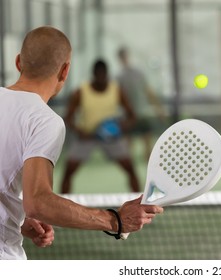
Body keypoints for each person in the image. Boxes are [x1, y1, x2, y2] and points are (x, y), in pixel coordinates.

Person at [0, 26, 163, 260]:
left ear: (18, 62)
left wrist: (16, 220)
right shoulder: (44, 121)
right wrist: (115, 220)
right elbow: (37, 203)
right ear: (65, 71)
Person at [60, 59, 141, 194]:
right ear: (93, 74)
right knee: (68, 171)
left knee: (130, 169)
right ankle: (63, 204)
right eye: (98, 75)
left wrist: (121, 127)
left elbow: (132, 116)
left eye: (103, 74)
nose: (101, 77)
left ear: (107, 74)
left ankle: (139, 204)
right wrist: (80, 131)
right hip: (87, 136)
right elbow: (68, 117)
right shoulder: (81, 91)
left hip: (112, 137)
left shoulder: (117, 90)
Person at [117, 47, 166, 162]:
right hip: (128, 116)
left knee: (147, 143)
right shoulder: (119, 77)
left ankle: (149, 167)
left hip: (141, 113)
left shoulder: (138, 73)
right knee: (128, 146)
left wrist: (159, 109)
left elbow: (149, 92)